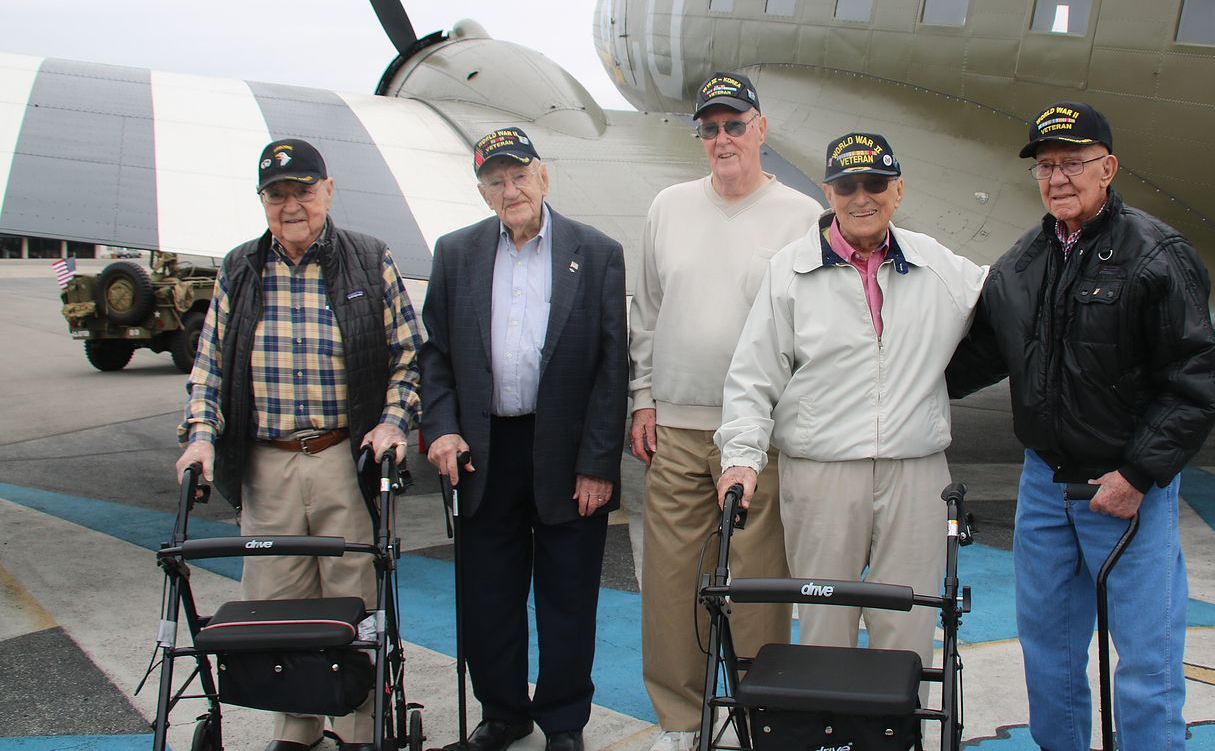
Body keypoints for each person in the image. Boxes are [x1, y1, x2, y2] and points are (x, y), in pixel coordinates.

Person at [945, 101, 1215, 751]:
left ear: (1109, 167)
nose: (1058, 177)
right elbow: (973, 361)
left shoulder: (1157, 256)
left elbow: (1196, 381)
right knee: (1047, 652)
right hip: (1044, 489)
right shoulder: (1021, 264)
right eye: (1047, 165)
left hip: (1126, 491)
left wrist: (1138, 474)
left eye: (1073, 162)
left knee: (1147, 663)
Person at [174, 138, 421, 751]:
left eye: (303, 191)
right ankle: (296, 729)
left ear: (328, 191)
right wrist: (201, 440)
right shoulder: (239, 267)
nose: (292, 205)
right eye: (277, 194)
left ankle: (361, 729)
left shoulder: (369, 259)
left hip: (343, 455)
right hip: (267, 463)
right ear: (262, 201)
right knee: (276, 606)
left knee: (351, 602)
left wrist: (393, 423)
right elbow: (208, 369)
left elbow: (410, 357)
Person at [714, 132, 985, 669]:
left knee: (910, 626)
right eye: (846, 185)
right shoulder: (790, 270)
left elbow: (1013, 304)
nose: (862, 197)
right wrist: (741, 459)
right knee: (823, 626)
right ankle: (828, 740)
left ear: (898, 189)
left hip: (915, 471)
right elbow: (753, 375)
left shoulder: (939, 266)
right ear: (828, 192)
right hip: (822, 473)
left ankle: (901, 738)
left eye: (875, 183)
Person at [629, 72, 822, 751]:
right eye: (709, 128)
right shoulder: (668, 206)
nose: (721, 139)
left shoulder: (801, 216)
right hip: (678, 425)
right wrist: (643, 397)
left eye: (734, 125)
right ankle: (681, 719)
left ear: (761, 130)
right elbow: (647, 312)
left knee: (758, 584)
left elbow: (810, 327)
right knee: (672, 577)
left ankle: (755, 713)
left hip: (759, 431)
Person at [420, 127, 626, 751]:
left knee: (568, 597)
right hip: (485, 450)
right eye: (495, 180)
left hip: (566, 453)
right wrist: (443, 428)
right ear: (482, 191)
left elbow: (611, 367)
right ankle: (503, 714)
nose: (509, 189)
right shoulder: (455, 254)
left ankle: (563, 723)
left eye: (518, 175)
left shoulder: (597, 253)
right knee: (489, 596)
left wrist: (597, 463)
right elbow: (436, 355)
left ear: (543, 175)